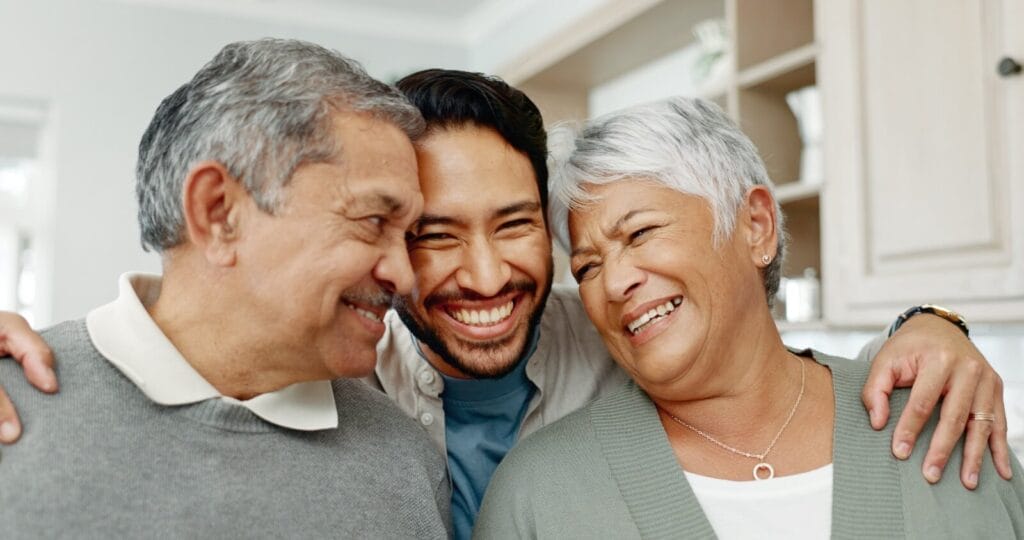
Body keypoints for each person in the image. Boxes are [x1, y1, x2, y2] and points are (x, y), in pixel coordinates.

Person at [0, 69, 1012, 538]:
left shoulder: (606, 331)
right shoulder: (348, 366)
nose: (472, 278)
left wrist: (931, 324)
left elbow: (741, 329)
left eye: (521, 225)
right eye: (412, 230)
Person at [474, 96, 1024, 538]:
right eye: (588, 267)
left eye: (641, 233)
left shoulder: (948, 423)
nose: (614, 284)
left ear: (755, 226)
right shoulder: (536, 496)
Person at [0, 39, 450, 538]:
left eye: (409, 236)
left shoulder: (404, 459)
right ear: (218, 214)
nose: (405, 277)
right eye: (372, 220)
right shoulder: (11, 407)